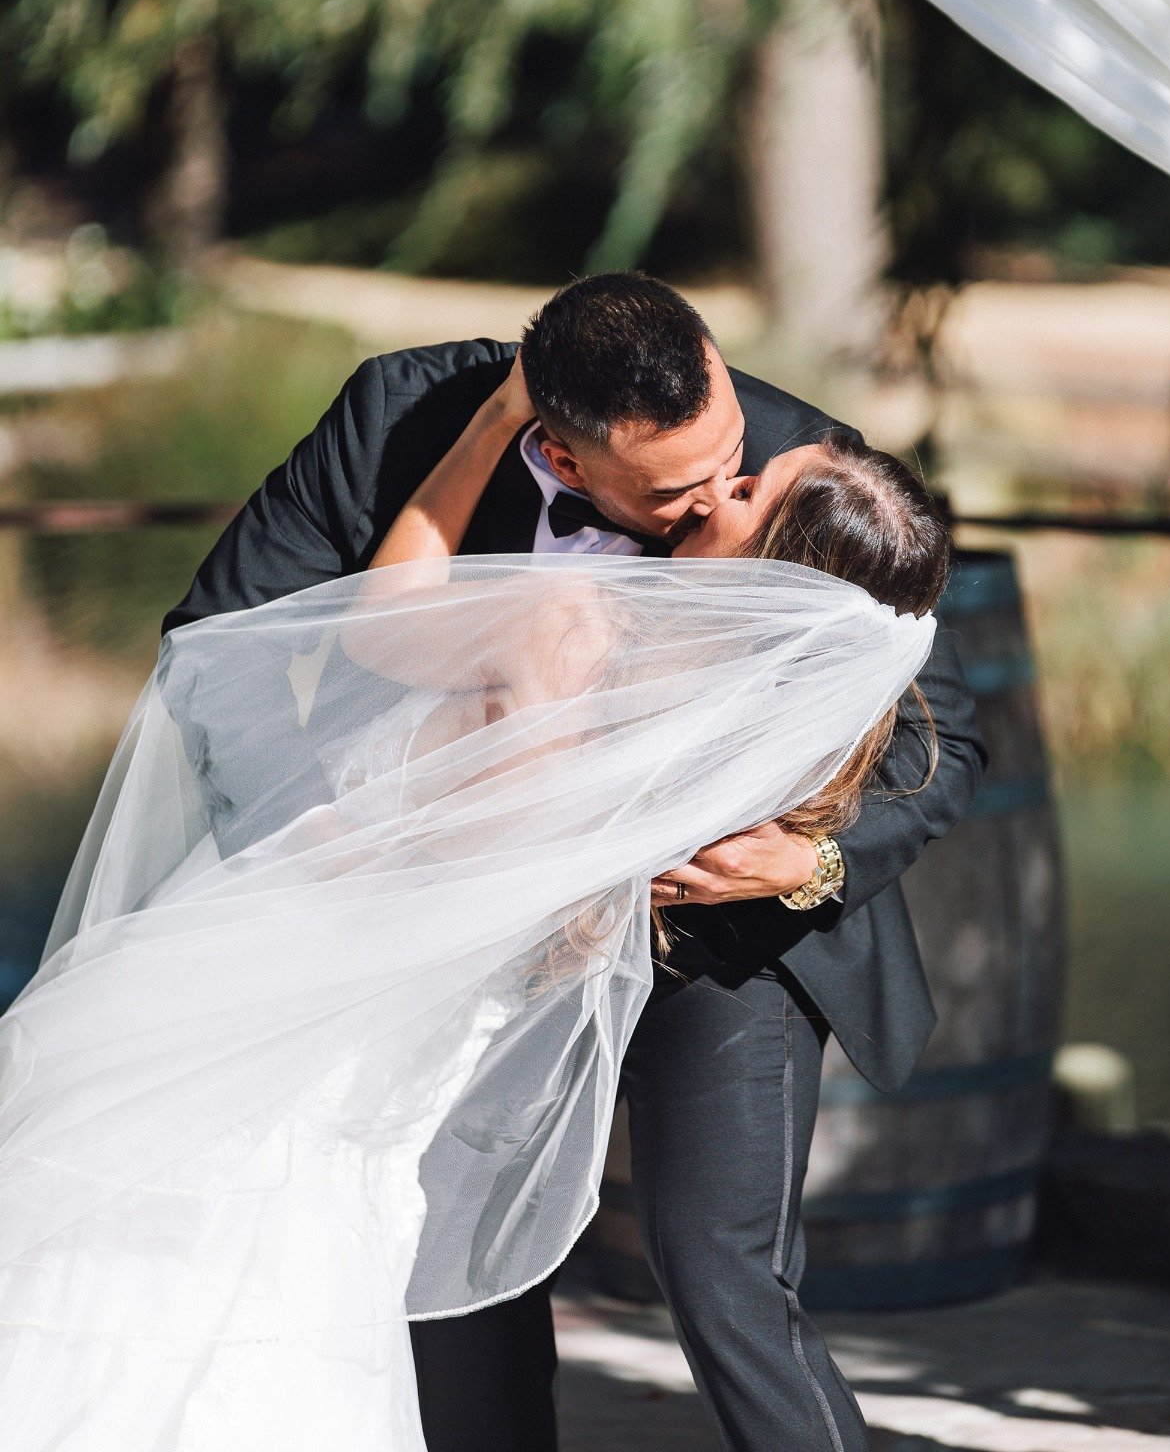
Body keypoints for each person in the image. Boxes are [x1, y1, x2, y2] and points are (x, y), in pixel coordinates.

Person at [154, 272, 986, 1452]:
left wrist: (804, 861)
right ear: (567, 452)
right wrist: (315, 840)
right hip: (481, 931)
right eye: (679, 489)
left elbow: (943, 747)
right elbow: (221, 632)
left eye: (729, 463)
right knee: (460, 1251)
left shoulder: (800, 463)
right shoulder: (404, 417)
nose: (712, 499)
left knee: (722, 1273)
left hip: (720, 942)